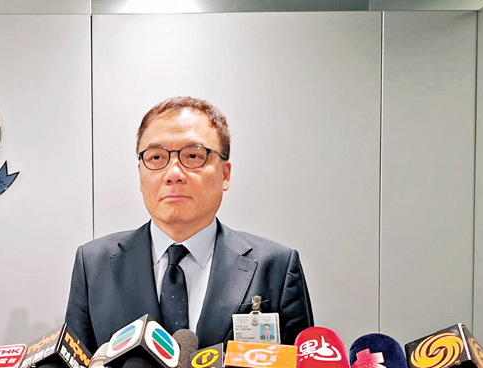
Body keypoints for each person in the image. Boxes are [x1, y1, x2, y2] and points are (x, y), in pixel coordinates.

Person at [65, 97, 313, 350]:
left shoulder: (277, 266)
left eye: (193, 156)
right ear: (140, 173)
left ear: (225, 174)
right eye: (156, 157)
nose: (173, 174)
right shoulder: (93, 264)